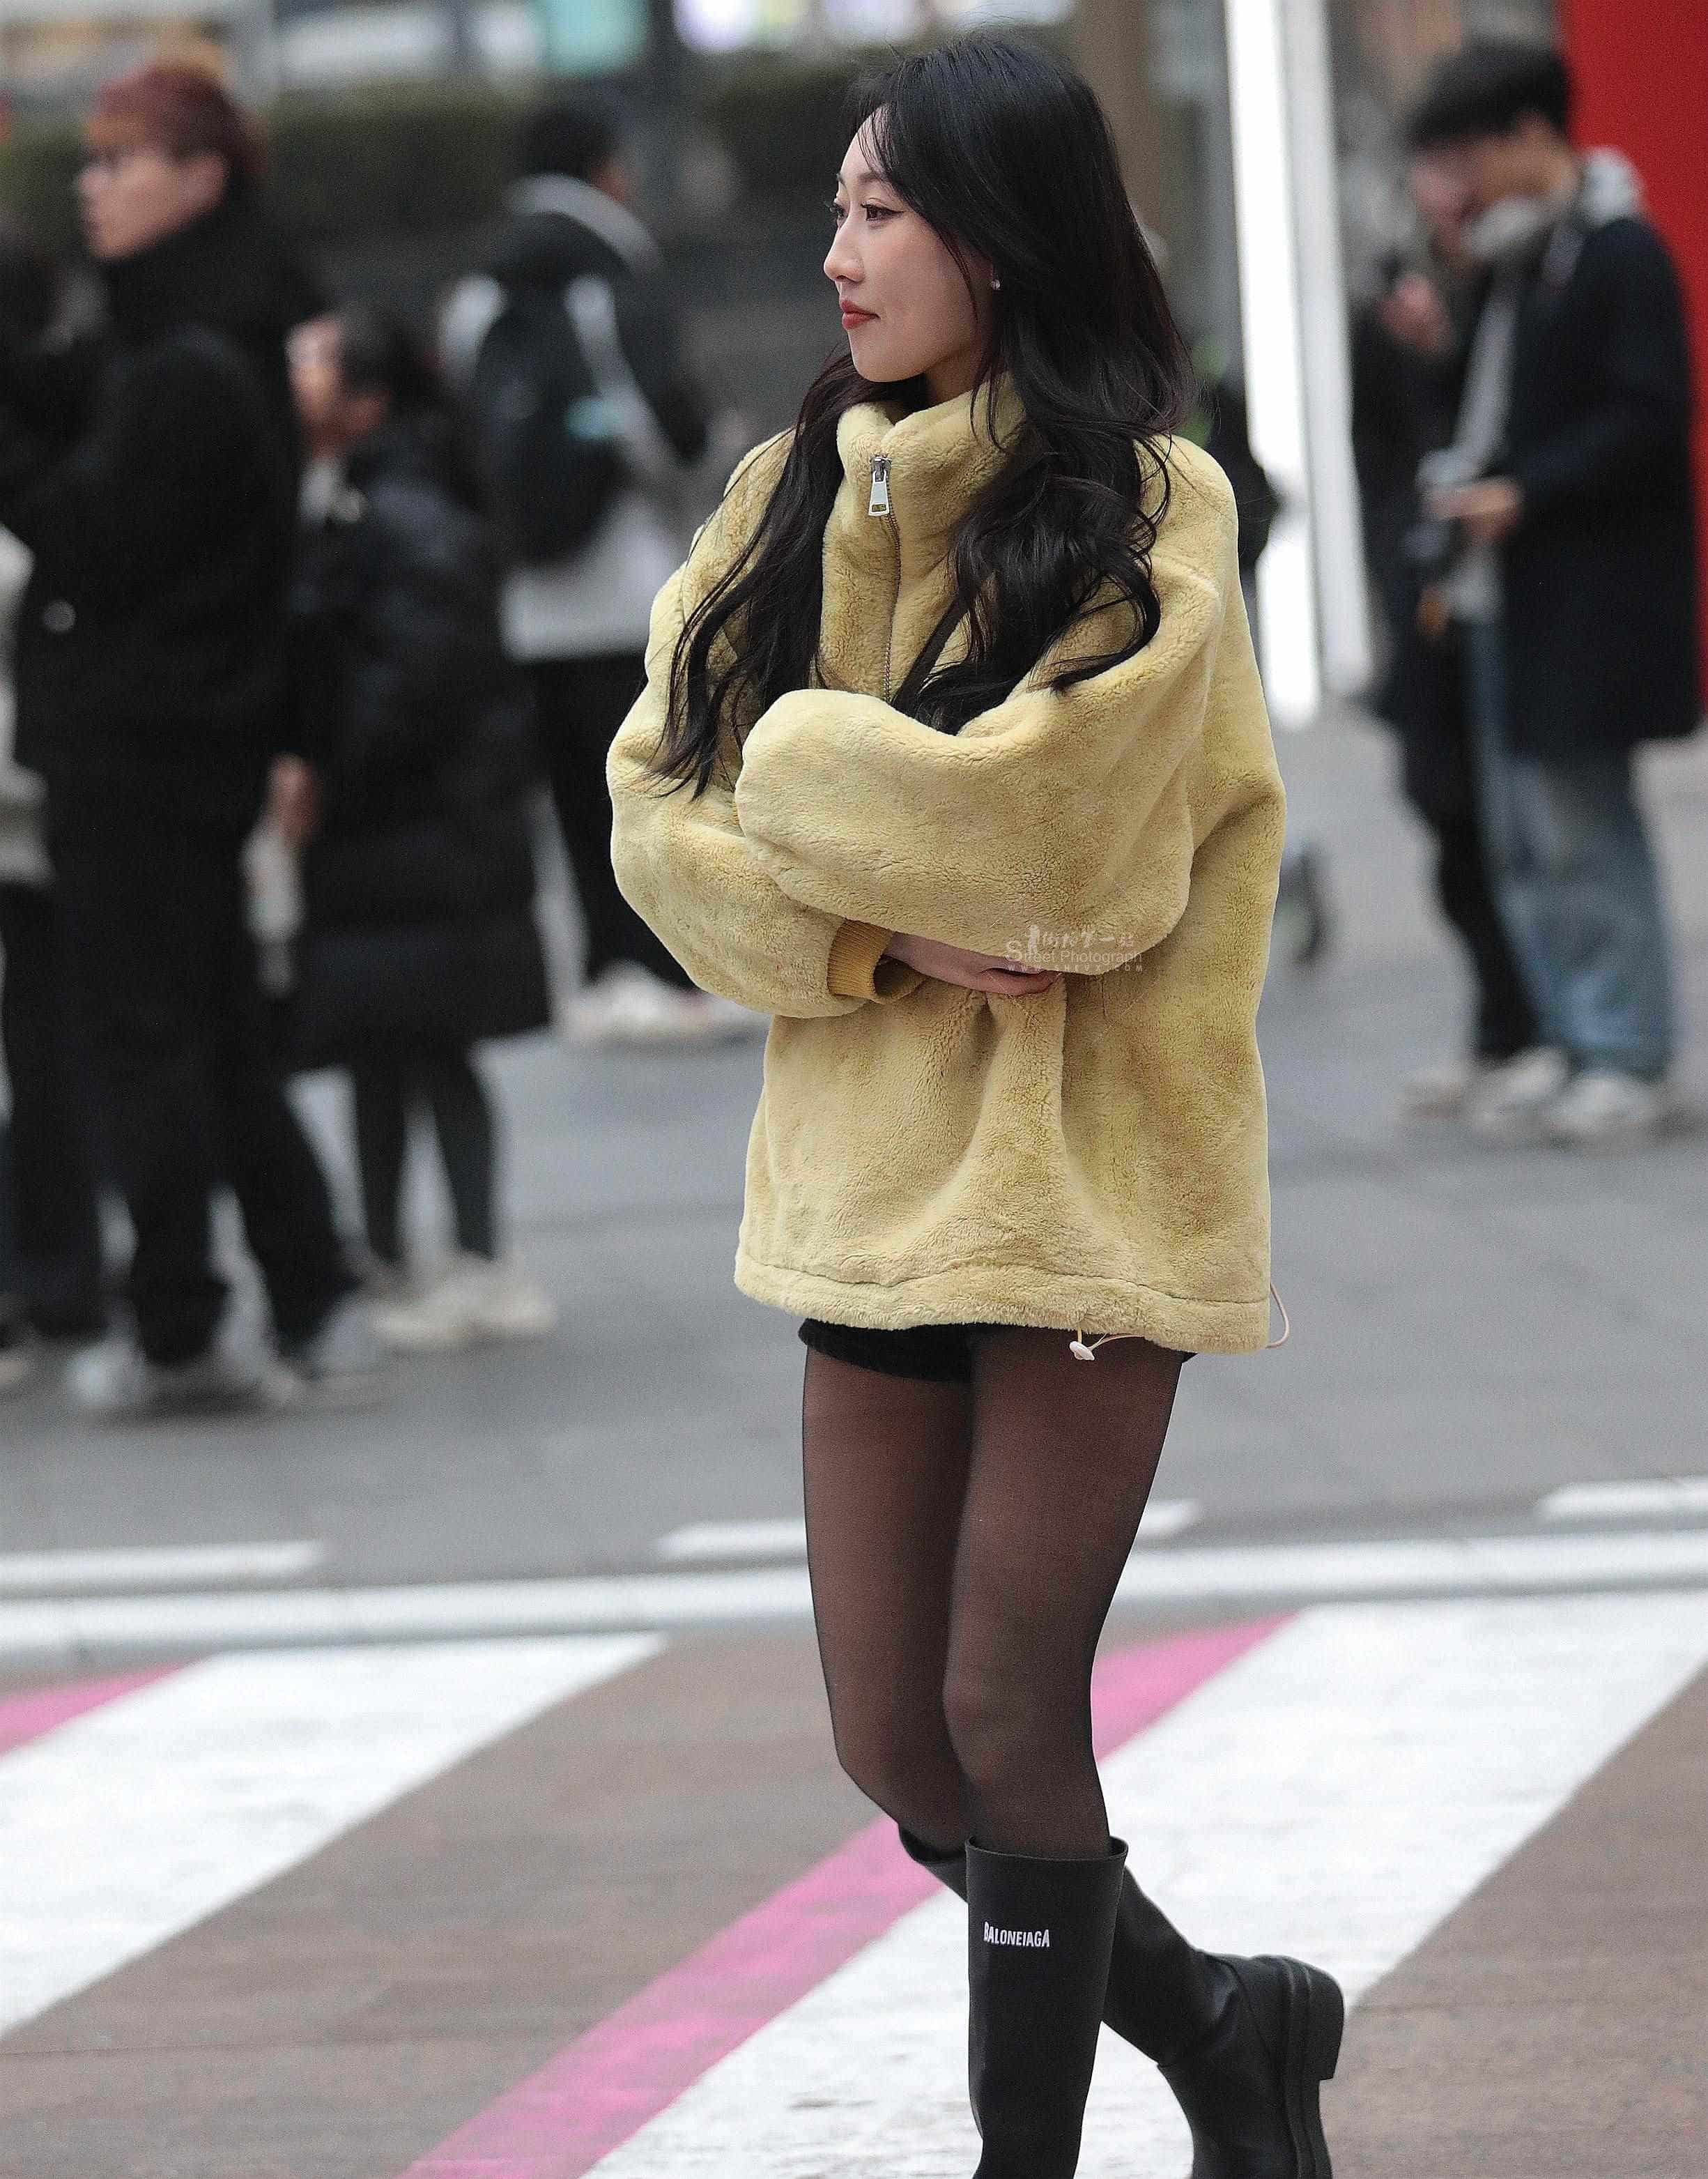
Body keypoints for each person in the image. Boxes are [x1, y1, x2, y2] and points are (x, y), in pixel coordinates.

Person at [608, 35, 1339, 2178]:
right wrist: (872, 935)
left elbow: (1062, 852)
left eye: (882, 211)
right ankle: (1226, 2022)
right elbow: (650, 820)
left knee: (1010, 1709)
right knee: (893, 1741)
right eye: (835, 208)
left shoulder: (1151, 505)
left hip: (1088, 1192)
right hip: (868, 1189)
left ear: (999, 238)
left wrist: (796, 765)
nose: (837, 253)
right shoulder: (785, 495)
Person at [0, 62, 374, 1416]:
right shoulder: (185, 331)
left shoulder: (191, 363)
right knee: (208, 1027)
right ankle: (305, 1287)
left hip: (143, 747)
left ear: (201, 178)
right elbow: (54, 391)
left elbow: (86, 532)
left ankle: (179, 1322)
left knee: (146, 1036)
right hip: (181, 740)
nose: (91, 184)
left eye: (122, 161)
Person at [1408, 40, 1700, 1146]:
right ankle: (1576, 1038)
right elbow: (1483, 408)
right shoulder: (1517, 259)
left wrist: (1527, 492)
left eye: (1473, 153)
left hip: (1583, 596)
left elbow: (1649, 415)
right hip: (1508, 593)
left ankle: (1629, 1051)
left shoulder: (1617, 251)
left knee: (1583, 827)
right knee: (1524, 833)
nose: (1465, 181)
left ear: (1531, 133)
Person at [443, 90, 755, 1048]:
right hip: (629, 586)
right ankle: (676, 971)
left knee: (578, 800)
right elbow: (661, 423)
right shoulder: (606, 272)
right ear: (604, 170)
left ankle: (605, 971)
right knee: (659, 782)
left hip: (529, 602)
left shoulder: (480, 293)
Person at [282, 305, 557, 1351]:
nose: (292, 370)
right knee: (385, 1046)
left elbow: (416, 673)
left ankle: (476, 1261)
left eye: (315, 358)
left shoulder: (395, 509)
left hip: (416, 826)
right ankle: (396, 1255)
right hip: (398, 832)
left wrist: (325, 765)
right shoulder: (370, 496)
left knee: (426, 1046)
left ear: (365, 399)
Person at [1349, 152, 1546, 1119]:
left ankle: (1541, 1027)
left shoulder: (1510, 285)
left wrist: (1444, 351)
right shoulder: (1391, 303)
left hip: (1501, 591)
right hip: (1427, 590)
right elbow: (1382, 459)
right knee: (1443, 802)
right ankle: (1506, 1025)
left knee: (1515, 819)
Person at [0, 219, 106, 1390]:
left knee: (49, 1048)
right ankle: (55, 1269)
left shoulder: (48, 438)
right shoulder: (74, 420)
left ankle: (54, 1269)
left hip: (36, 806)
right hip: (44, 799)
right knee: (52, 1046)